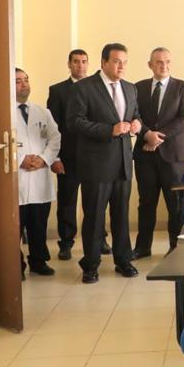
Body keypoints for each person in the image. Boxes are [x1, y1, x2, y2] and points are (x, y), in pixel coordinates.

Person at [67, 42, 144, 284]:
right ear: (104, 62)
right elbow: (74, 122)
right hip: (96, 164)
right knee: (94, 217)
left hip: (123, 163)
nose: (121, 66)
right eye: (117, 61)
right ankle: (90, 265)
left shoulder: (130, 88)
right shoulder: (84, 88)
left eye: (125, 62)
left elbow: (135, 115)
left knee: (121, 215)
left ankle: (123, 260)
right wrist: (108, 130)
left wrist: (138, 124)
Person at [132, 47, 184, 257]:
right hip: (145, 155)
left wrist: (157, 137)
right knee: (146, 203)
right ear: (150, 65)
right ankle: (143, 247)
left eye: (167, 61)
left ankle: (175, 248)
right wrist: (147, 134)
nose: (164, 65)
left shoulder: (183, 87)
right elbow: (134, 115)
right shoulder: (138, 87)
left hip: (174, 156)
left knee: (175, 204)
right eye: (159, 62)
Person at [47, 49, 106, 260]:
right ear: (69, 64)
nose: (80, 65)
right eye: (76, 62)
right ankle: (66, 242)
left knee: (97, 201)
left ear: (88, 64)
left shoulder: (98, 88)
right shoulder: (58, 91)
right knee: (67, 201)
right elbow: (53, 127)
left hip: (94, 156)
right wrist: (55, 157)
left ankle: (100, 239)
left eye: (83, 61)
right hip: (68, 157)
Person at [14, 68, 60, 277]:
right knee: (16, 227)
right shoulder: (4, 111)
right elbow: (3, 140)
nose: (24, 84)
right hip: (19, 176)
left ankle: (39, 261)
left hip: (40, 174)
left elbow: (55, 137)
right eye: (18, 81)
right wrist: (20, 159)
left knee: (39, 224)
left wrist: (45, 158)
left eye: (26, 80)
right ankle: (16, 265)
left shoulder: (42, 111)